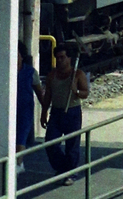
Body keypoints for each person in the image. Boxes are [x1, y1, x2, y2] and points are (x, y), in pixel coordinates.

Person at [42, 45, 88, 173]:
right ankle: (63, 168)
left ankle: (71, 173)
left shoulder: (78, 74)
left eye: (62, 57)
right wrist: (44, 112)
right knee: (50, 143)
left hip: (73, 112)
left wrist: (76, 91)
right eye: (57, 58)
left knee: (72, 145)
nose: (60, 60)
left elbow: (85, 93)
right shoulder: (52, 75)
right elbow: (48, 95)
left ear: (69, 58)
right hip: (56, 112)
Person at [16, 40, 45, 177]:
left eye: (17, 55)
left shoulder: (31, 72)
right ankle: (17, 163)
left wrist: (45, 110)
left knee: (21, 136)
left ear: (22, 56)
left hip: (25, 109)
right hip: (10, 110)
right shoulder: (5, 72)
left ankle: (18, 164)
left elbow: (39, 92)